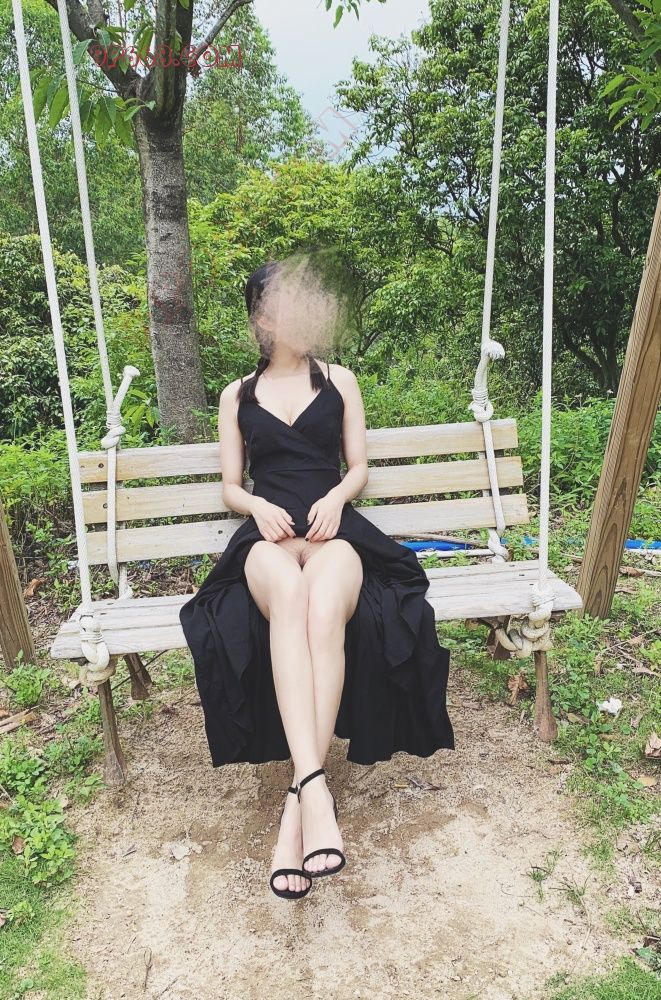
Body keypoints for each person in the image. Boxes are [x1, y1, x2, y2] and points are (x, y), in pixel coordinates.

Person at [179, 259, 455, 901]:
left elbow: (358, 467)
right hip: (268, 541)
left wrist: (336, 497)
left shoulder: (339, 380)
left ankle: (298, 802)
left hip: (335, 534)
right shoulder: (236, 395)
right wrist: (256, 506)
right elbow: (230, 486)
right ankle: (315, 795)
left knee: (325, 606)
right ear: (263, 319)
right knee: (291, 596)